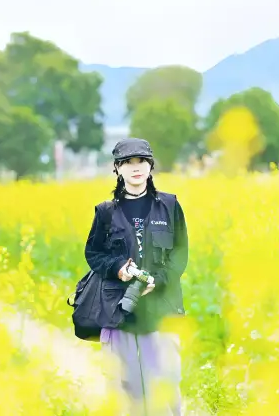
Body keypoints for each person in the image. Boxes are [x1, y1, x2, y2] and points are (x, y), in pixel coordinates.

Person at [84, 137, 189, 415]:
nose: (135, 167)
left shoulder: (169, 205)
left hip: (161, 307)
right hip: (120, 309)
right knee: (125, 387)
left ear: (150, 166)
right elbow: (93, 254)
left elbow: (180, 254)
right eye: (127, 162)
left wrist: (160, 280)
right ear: (117, 169)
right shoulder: (106, 212)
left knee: (165, 385)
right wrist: (119, 268)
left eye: (141, 161)